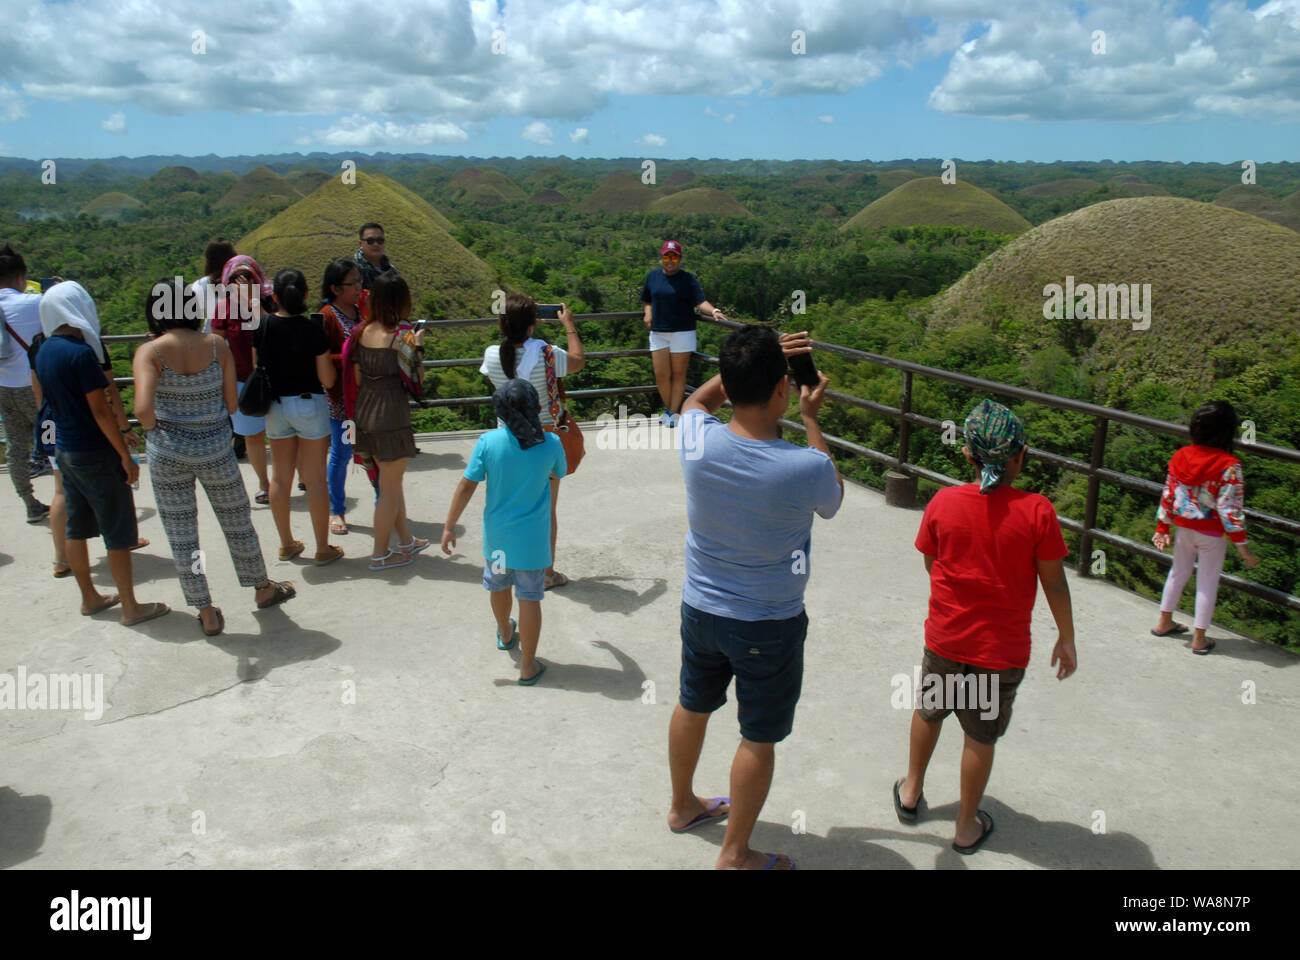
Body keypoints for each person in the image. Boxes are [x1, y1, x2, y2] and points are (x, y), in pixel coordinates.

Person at [667, 325, 842, 870]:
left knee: (693, 705)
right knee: (757, 737)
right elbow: (831, 501)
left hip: (701, 608)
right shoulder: (803, 466)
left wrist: (741, 367)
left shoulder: (696, 439)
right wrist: (812, 420)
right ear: (785, 390)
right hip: (768, 622)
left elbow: (697, 399)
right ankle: (735, 854)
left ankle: (682, 806)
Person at [896, 399, 1077, 855]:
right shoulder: (1038, 512)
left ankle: (911, 792)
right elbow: (1054, 584)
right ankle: (964, 827)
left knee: (929, 711)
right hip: (999, 652)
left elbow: (931, 562)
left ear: (968, 456)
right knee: (980, 734)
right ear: (1020, 456)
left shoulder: (942, 502)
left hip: (947, 639)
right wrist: (1066, 637)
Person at [132, 282, 296, 634]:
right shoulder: (216, 345)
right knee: (237, 523)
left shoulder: (150, 353)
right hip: (216, 450)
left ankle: (205, 611)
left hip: (168, 455)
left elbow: (143, 410)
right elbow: (233, 405)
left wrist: (159, 429)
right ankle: (262, 589)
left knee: (182, 535)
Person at [35, 282, 169, 626]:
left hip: (65, 450)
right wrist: (124, 453)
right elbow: (100, 409)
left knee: (76, 529)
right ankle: (130, 606)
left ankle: (90, 598)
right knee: (118, 530)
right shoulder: (81, 354)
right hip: (95, 451)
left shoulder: (45, 349)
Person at [440, 379, 566, 684]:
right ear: (537, 408)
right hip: (533, 545)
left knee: (497, 586)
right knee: (530, 598)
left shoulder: (488, 442)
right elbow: (558, 472)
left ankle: (506, 631)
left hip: (498, 542)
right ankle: (527, 666)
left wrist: (448, 526)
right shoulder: (552, 443)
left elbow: (467, 484)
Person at [479, 294, 585, 590]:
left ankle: (502, 571)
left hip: (506, 442)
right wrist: (570, 326)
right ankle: (546, 574)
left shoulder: (491, 356)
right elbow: (579, 362)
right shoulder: (548, 354)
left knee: (505, 507)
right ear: (532, 325)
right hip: (544, 441)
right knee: (544, 510)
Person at [1151, 400, 1259, 653]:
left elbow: (1169, 493)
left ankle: (1164, 622)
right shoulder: (1229, 465)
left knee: (1177, 573)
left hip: (1183, 528)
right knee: (1207, 581)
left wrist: (1162, 526)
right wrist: (1243, 547)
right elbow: (1229, 510)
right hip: (1211, 533)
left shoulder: (1181, 456)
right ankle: (1199, 639)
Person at [257, 268, 340, 566]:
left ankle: (287, 544)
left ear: (275, 297)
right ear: (306, 295)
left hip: (275, 407)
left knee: (280, 478)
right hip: (308, 405)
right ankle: (322, 548)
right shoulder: (313, 330)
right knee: (316, 480)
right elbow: (327, 380)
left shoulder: (263, 327)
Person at [345, 272, 427, 570]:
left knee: (390, 483)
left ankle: (405, 540)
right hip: (391, 413)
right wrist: (417, 346)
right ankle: (380, 554)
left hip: (365, 411)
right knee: (390, 489)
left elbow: (355, 376)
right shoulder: (402, 335)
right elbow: (418, 378)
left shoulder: (359, 332)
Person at [640, 240, 727, 428]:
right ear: (661, 258)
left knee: (679, 374)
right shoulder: (653, 277)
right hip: (658, 332)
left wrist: (713, 311)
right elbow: (647, 299)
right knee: (661, 374)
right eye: (666, 256)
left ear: (680, 259)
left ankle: (673, 412)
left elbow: (700, 301)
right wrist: (648, 312)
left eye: (674, 257)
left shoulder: (688, 279)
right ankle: (670, 409)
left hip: (682, 331)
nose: (670, 260)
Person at [210, 255, 273, 503]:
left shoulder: (269, 302)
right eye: (235, 277)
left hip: (275, 378)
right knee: (253, 436)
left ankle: (286, 478)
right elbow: (216, 345)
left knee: (281, 434)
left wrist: (252, 301)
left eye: (247, 275)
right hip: (241, 381)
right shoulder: (223, 308)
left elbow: (271, 326)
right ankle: (264, 483)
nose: (241, 281)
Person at [319, 258, 369, 536]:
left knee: (373, 452)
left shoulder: (362, 311)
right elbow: (322, 357)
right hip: (343, 400)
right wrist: (353, 357)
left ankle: (385, 504)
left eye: (360, 281)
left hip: (367, 398)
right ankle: (336, 510)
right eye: (354, 283)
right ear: (337, 288)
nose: (359, 287)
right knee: (342, 454)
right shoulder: (328, 316)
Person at [0, 243, 49, 522]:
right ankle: (68, 500)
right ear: (21, 278)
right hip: (36, 391)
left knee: (16, 449)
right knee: (55, 441)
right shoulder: (35, 302)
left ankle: (30, 503)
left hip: (4, 391)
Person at [187, 237, 237, 335]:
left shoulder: (201, 285)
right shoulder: (243, 281)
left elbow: (191, 318)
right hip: (238, 341)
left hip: (211, 341)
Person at [354, 222, 395, 291]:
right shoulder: (354, 272)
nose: (376, 244)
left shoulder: (391, 270)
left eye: (380, 240)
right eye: (370, 241)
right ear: (360, 244)